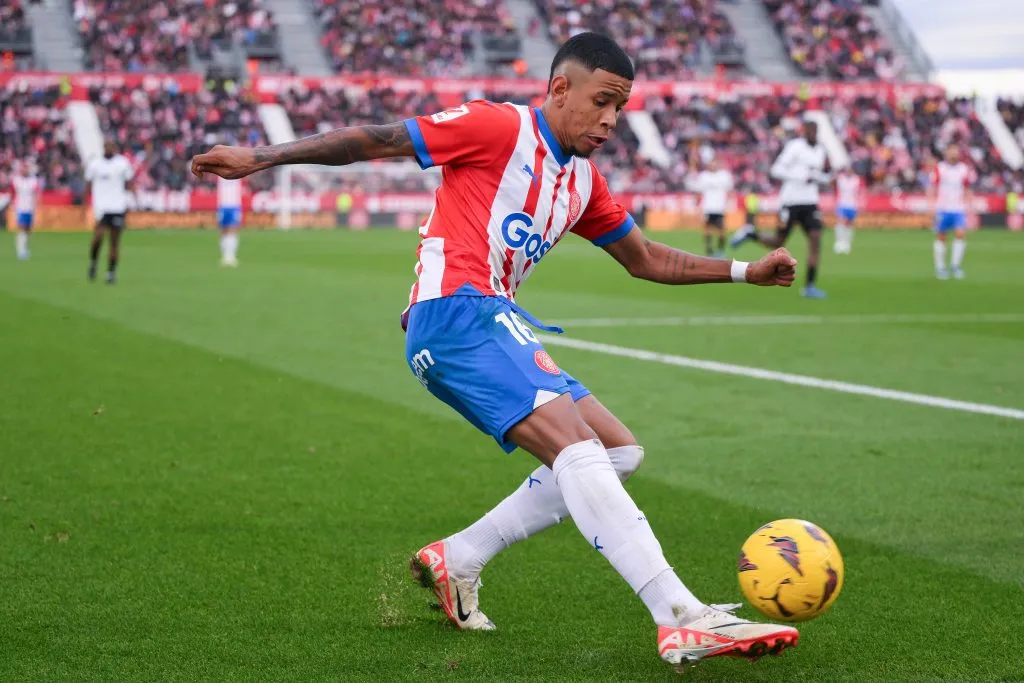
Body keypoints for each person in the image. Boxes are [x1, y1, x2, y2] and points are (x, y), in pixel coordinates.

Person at [191, 32, 800, 673]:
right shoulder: (495, 127)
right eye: (603, 101)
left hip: (488, 317)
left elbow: (646, 258)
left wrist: (743, 272)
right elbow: (380, 139)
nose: (611, 120)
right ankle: (679, 617)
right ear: (560, 88)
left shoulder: (583, 183)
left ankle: (460, 558)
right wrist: (260, 157)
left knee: (618, 449)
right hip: (454, 312)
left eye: (620, 108)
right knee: (577, 449)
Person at [730, 120, 829, 299]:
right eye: (809, 130)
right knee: (778, 241)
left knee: (816, 239)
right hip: (790, 201)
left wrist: (823, 178)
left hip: (810, 202)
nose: (812, 133)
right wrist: (800, 176)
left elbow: (815, 175)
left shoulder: (820, 150)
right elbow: (776, 170)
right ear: (804, 131)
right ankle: (750, 233)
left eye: (814, 130)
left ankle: (810, 286)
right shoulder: (795, 147)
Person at [85, 140, 134, 284]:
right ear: (103, 147)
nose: (109, 148)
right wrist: (85, 203)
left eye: (111, 146)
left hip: (117, 206)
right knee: (98, 238)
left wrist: (129, 202)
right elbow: (88, 183)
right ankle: (94, 262)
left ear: (114, 147)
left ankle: (111, 273)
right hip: (101, 207)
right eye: (106, 146)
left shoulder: (122, 163)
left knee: (114, 241)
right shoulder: (95, 164)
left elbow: (129, 183)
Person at [929, 145, 973, 280]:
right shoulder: (940, 168)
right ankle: (940, 267)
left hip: (958, 208)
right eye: (951, 152)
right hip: (943, 208)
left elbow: (967, 188)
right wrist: (931, 207)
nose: (954, 154)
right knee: (941, 237)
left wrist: (970, 206)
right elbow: (932, 187)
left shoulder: (963, 169)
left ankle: (955, 266)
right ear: (946, 153)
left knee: (960, 235)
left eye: (956, 152)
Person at [687, 154, 733, 257]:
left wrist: (728, 203)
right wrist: (697, 206)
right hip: (707, 207)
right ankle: (709, 249)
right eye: (712, 163)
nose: (713, 165)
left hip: (720, 207)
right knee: (707, 229)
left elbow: (729, 191)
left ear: (719, 164)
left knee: (722, 230)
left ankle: (720, 249)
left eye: (715, 163)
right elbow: (698, 191)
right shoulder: (704, 176)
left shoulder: (724, 176)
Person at [11, 161, 40, 261]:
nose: (25, 170)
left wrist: (37, 206)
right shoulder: (17, 180)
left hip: (30, 208)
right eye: (24, 168)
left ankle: (26, 248)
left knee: (28, 229)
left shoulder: (33, 180)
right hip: (20, 207)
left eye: (27, 168)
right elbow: (12, 192)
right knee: (21, 228)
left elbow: (36, 194)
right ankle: (20, 250)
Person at [833, 166, 862, 255]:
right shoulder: (841, 179)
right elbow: (834, 182)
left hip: (852, 205)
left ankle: (846, 243)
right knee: (841, 223)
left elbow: (856, 192)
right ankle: (839, 242)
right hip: (842, 203)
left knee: (849, 224)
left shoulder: (856, 179)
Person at [217, 176, 243, 267]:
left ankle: (230, 256)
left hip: (234, 204)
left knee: (232, 229)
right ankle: (225, 256)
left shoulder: (238, 170)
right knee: (223, 230)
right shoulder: (219, 171)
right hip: (222, 204)